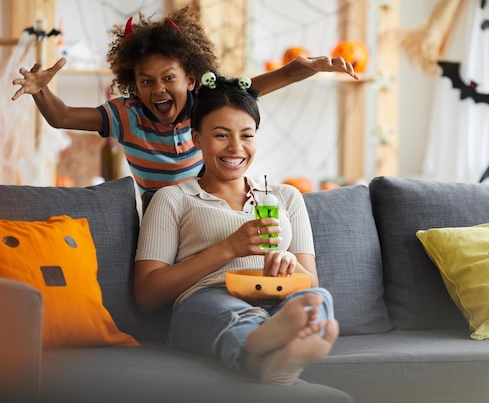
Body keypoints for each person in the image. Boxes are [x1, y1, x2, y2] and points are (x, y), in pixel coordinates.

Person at [11, 6, 358, 193]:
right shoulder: (126, 115)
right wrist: (40, 90)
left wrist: (305, 66)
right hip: (156, 212)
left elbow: (258, 85)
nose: (158, 89)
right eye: (146, 81)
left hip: (201, 202)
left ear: (191, 79)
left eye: (169, 79)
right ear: (133, 84)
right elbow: (64, 117)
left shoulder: (206, 104)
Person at [133, 73, 339, 385]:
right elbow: (146, 294)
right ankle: (265, 342)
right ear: (197, 137)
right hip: (207, 301)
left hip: (277, 297)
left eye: (247, 135)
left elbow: (310, 280)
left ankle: (267, 356)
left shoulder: (286, 197)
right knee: (229, 312)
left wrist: (289, 265)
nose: (236, 148)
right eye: (221, 135)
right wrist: (228, 248)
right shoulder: (173, 198)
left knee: (316, 297)